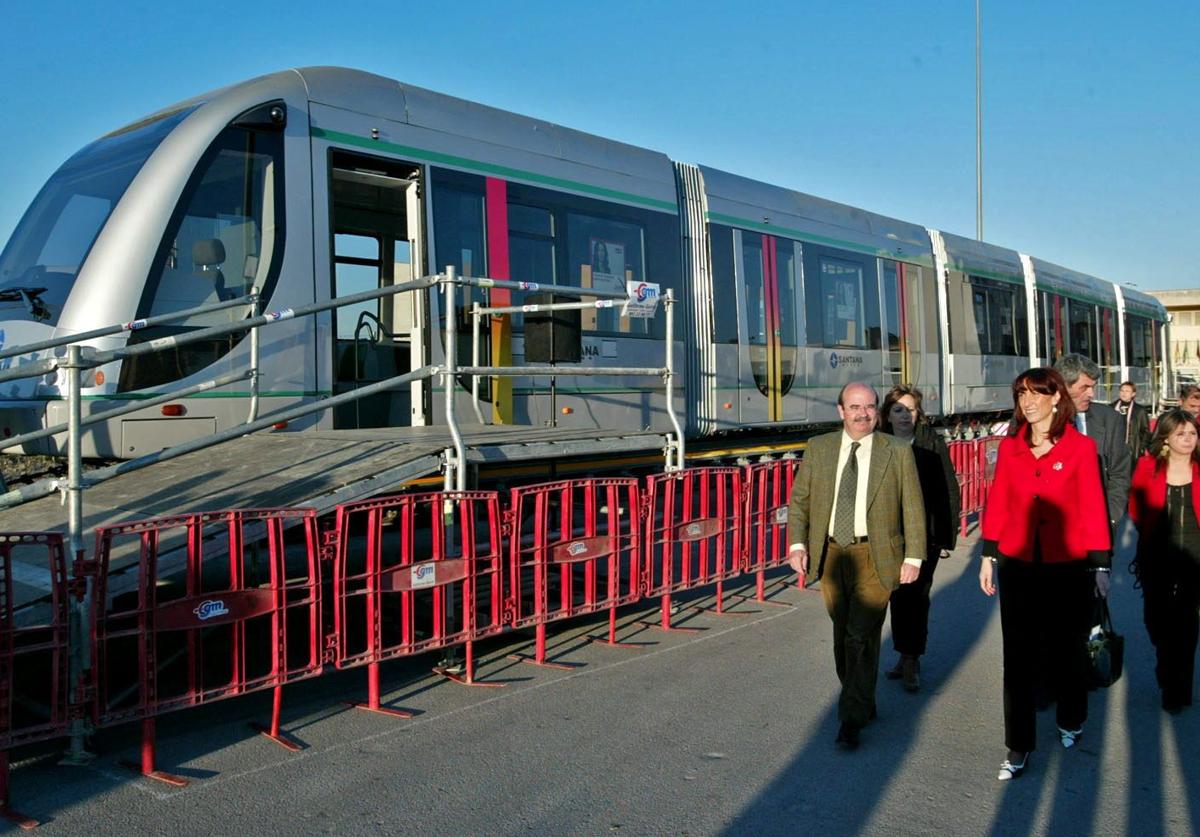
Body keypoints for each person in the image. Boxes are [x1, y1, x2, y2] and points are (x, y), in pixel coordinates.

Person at [979, 367, 1111, 781]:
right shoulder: (1011, 447)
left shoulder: (1081, 448)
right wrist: (989, 554)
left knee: (1066, 651)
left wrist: (1100, 564)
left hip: (1067, 565)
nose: (1027, 402)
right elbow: (999, 500)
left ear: (1057, 398)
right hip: (1018, 564)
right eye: (1021, 394)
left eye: (1036, 394)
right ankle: (1018, 745)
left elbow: (1092, 505)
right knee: (1016, 658)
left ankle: (1072, 717)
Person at [786, 382, 926, 750]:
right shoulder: (820, 448)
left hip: (876, 556)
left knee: (858, 636)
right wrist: (797, 544)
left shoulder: (895, 451)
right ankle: (863, 698)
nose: (863, 414)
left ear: (876, 410)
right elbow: (800, 501)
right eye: (855, 407)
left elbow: (912, 506)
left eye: (869, 407)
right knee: (842, 636)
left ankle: (850, 718)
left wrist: (913, 557)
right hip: (831, 555)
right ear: (841, 411)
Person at [879, 385, 961, 692]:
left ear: (919, 413)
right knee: (897, 597)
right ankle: (904, 653)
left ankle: (912, 659)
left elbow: (948, 488)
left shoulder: (931, 442)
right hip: (887, 535)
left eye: (910, 410)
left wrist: (945, 535)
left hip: (924, 534)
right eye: (898, 410)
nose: (904, 416)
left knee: (916, 596)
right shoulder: (879, 444)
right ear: (888, 415)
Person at [1128, 408, 1200, 714]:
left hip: (1195, 557)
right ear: (1167, 437)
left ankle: (1177, 688)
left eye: (1193, 433)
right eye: (1181, 434)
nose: (1188, 439)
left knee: (1186, 623)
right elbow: (1136, 507)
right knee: (1156, 621)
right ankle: (1165, 663)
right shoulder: (1148, 465)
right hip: (1157, 555)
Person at [1053, 354, 1129, 598]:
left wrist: (1112, 518)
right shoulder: (1040, 420)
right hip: (1052, 532)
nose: (1091, 394)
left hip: (1097, 531)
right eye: (1084, 387)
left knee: (1093, 604)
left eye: (1093, 387)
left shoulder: (1110, 420)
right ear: (1063, 386)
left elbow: (1119, 473)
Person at [1112, 380, 1152, 468]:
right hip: (1114, 448)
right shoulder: (1111, 408)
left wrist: (1141, 448)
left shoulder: (1139, 410)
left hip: (1132, 449)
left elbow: (1146, 431)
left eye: (1127, 391)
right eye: (1122, 390)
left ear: (1133, 394)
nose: (1124, 393)